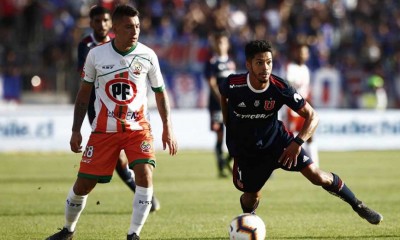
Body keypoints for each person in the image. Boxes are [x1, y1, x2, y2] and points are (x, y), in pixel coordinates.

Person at [46, 5, 178, 240]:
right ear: (115, 28)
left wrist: (168, 127)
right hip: (104, 130)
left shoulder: (148, 55)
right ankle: (67, 230)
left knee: (145, 173)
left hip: (138, 128)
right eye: (129, 26)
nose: (135, 31)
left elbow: (160, 93)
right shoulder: (96, 55)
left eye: (137, 26)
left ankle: (133, 234)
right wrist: (76, 130)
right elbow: (83, 94)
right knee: (83, 185)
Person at [219, 40, 383, 226]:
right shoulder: (234, 84)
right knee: (250, 195)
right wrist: (227, 121)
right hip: (247, 150)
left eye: (269, 62)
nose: (265, 67)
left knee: (316, 175)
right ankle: (250, 222)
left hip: (277, 143)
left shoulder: (280, 88)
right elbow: (222, 94)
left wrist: (297, 143)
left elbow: (313, 116)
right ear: (248, 64)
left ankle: (358, 205)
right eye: (259, 62)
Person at [77, 5, 160, 212]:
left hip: (127, 109)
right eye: (98, 21)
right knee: (116, 157)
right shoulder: (88, 47)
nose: (102, 25)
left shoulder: (128, 45)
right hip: (98, 107)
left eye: (105, 21)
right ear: (92, 24)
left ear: (110, 24)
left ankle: (144, 193)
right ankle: (141, 192)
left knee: (124, 157)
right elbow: (86, 80)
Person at [204, 31, 236, 177]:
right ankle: (221, 168)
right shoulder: (212, 62)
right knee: (219, 135)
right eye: (217, 42)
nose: (220, 45)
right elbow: (211, 83)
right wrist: (222, 98)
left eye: (222, 42)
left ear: (227, 44)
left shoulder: (231, 62)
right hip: (217, 105)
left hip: (232, 105)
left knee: (236, 134)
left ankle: (227, 160)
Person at [285, 43, 319, 167]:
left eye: (305, 53)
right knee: (286, 137)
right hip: (292, 107)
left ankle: (315, 166)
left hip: (303, 106)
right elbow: (289, 86)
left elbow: (306, 90)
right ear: (296, 53)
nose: (303, 55)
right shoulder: (290, 67)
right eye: (301, 52)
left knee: (309, 135)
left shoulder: (305, 69)